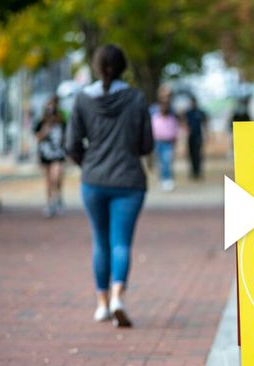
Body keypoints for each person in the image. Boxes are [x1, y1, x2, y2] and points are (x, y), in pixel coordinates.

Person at [66, 44, 154, 327]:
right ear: (123, 67)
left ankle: (102, 305)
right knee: (121, 243)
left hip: (94, 181)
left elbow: (71, 145)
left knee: (100, 242)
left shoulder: (82, 99)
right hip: (129, 181)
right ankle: (118, 297)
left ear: (95, 67)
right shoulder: (137, 99)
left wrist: (89, 163)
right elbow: (146, 145)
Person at [35, 96, 67, 217]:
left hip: (58, 154)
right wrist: (45, 130)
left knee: (56, 176)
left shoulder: (61, 122)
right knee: (48, 180)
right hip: (46, 153)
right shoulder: (42, 122)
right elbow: (37, 137)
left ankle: (57, 197)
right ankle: (50, 203)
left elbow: (66, 138)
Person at [151, 97, 180, 191]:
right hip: (157, 142)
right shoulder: (155, 117)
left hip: (168, 142)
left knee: (166, 161)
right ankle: (162, 179)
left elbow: (175, 130)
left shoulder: (171, 118)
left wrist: (175, 141)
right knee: (159, 162)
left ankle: (168, 179)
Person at [183, 96, 208, 179]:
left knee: (198, 154)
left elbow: (204, 124)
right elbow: (184, 123)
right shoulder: (188, 113)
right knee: (191, 154)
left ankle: (197, 171)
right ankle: (193, 170)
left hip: (198, 136)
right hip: (190, 136)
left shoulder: (200, 112)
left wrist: (206, 135)